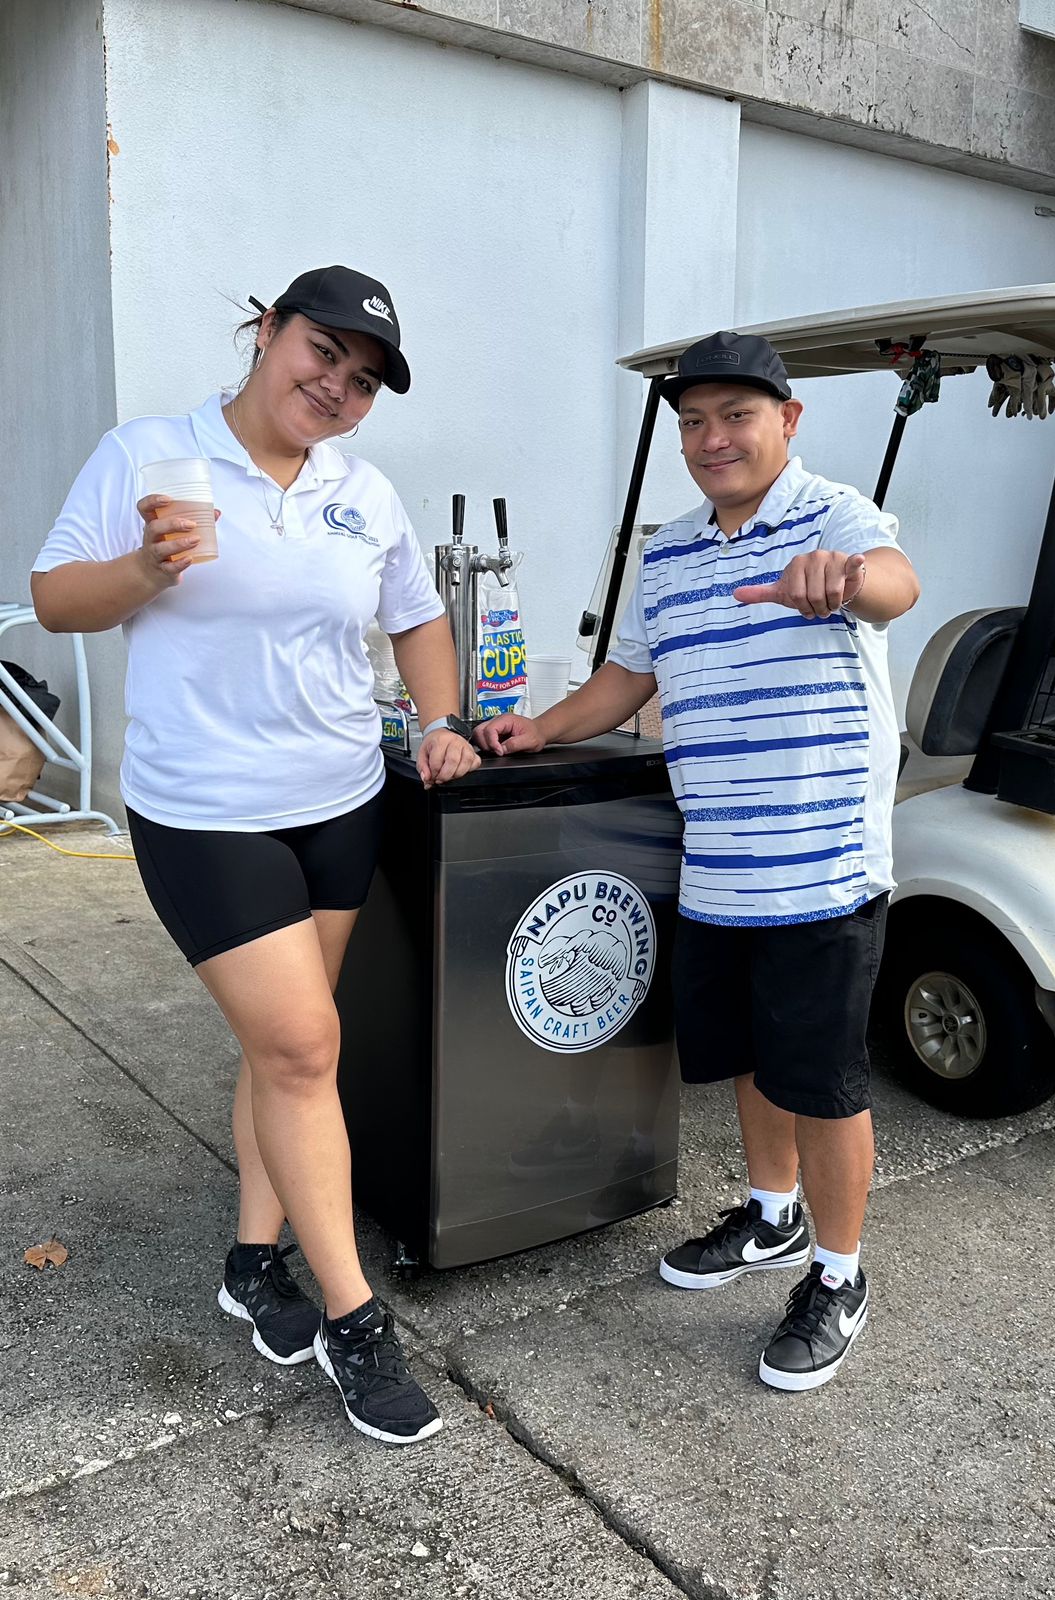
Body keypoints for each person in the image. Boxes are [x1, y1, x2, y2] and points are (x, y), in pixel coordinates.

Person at [31, 264, 480, 1445]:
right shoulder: (149, 454)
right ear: (267, 331)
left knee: (285, 1053)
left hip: (336, 801)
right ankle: (354, 1318)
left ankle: (249, 1260)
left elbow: (416, 616)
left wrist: (440, 716)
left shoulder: (360, 492)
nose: (336, 386)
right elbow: (55, 596)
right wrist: (146, 570)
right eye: (322, 352)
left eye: (363, 379)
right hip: (204, 812)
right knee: (302, 1046)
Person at [476, 330, 920, 1392]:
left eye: (736, 416)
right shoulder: (668, 550)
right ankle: (770, 1214)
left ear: (787, 421)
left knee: (824, 1082)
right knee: (750, 1058)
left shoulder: (833, 516)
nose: (712, 438)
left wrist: (844, 578)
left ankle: (838, 1273)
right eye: (693, 422)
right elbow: (628, 675)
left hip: (820, 865)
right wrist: (540, 726)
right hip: (717, 861)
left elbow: (895, 584)